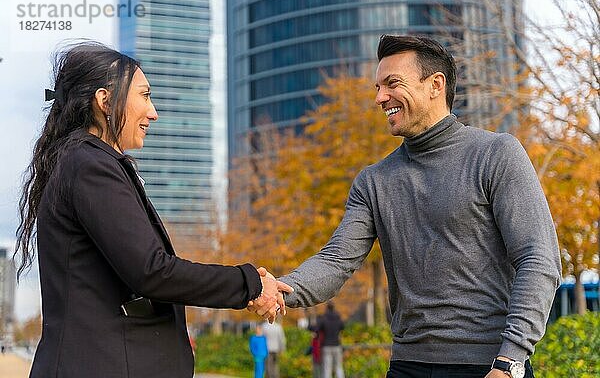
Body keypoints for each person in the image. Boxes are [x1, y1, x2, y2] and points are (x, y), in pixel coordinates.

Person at [257, 35, 562, 378]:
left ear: (435, 85)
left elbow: (539, 259)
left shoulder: (496, 154)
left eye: (392, 83)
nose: (379, 98)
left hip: (489, 365)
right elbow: (336, 260)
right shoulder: (373, 181)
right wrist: (281, 287)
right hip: (407, 366)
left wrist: (512, 360)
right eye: (377, 87)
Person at [14, 42, 292, 378]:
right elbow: (152, 272)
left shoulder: (85, 162)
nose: (153, 111)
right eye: (144, 96)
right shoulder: (90, 166)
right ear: (105, 101)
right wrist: (249, 284)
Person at [317, 303, 345, 378]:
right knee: (339, 367)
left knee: (327, 369)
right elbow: (342, 327)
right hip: (337, 345)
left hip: (326, 346)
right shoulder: (338, 318)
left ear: (327, 308)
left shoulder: (324, 319)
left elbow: (317, 329)